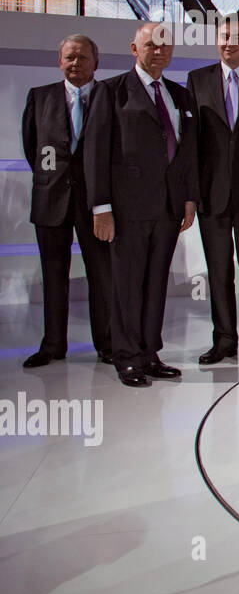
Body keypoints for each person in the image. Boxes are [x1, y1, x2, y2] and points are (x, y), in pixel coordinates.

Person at [84, 22, 198, 387]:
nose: (159, 51)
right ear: (135, 49)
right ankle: (127, 356)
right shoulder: (111, 91)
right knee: (126, 285)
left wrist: (189, 199)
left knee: (155, 285)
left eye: (165, 46)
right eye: (151, 45)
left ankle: (150, 352)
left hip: (167, 209)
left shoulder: (179, 96)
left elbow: (187, 154)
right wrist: (100, 207)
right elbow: (95, 151)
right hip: (126, 210)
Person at [20, 34, 113, 369]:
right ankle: (53, 345)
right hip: (51, 199)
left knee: (102, 274)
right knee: (53, 274)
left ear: (95, 63)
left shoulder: (109, 96)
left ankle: (106, 343)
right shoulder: (40, 97)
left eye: (82, 58)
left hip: (97, 205)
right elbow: (34, 149)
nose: (76, 63)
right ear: (60, 61)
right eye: (69, 57)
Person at [186, 16, 239, 366]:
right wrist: (191, 196)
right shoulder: (197, 79)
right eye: (224, 36)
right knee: (218, 272)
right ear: (216, 40)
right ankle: (223, 341)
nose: (229, 42)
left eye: (236, 37)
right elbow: (191, 144)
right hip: (212, 196)